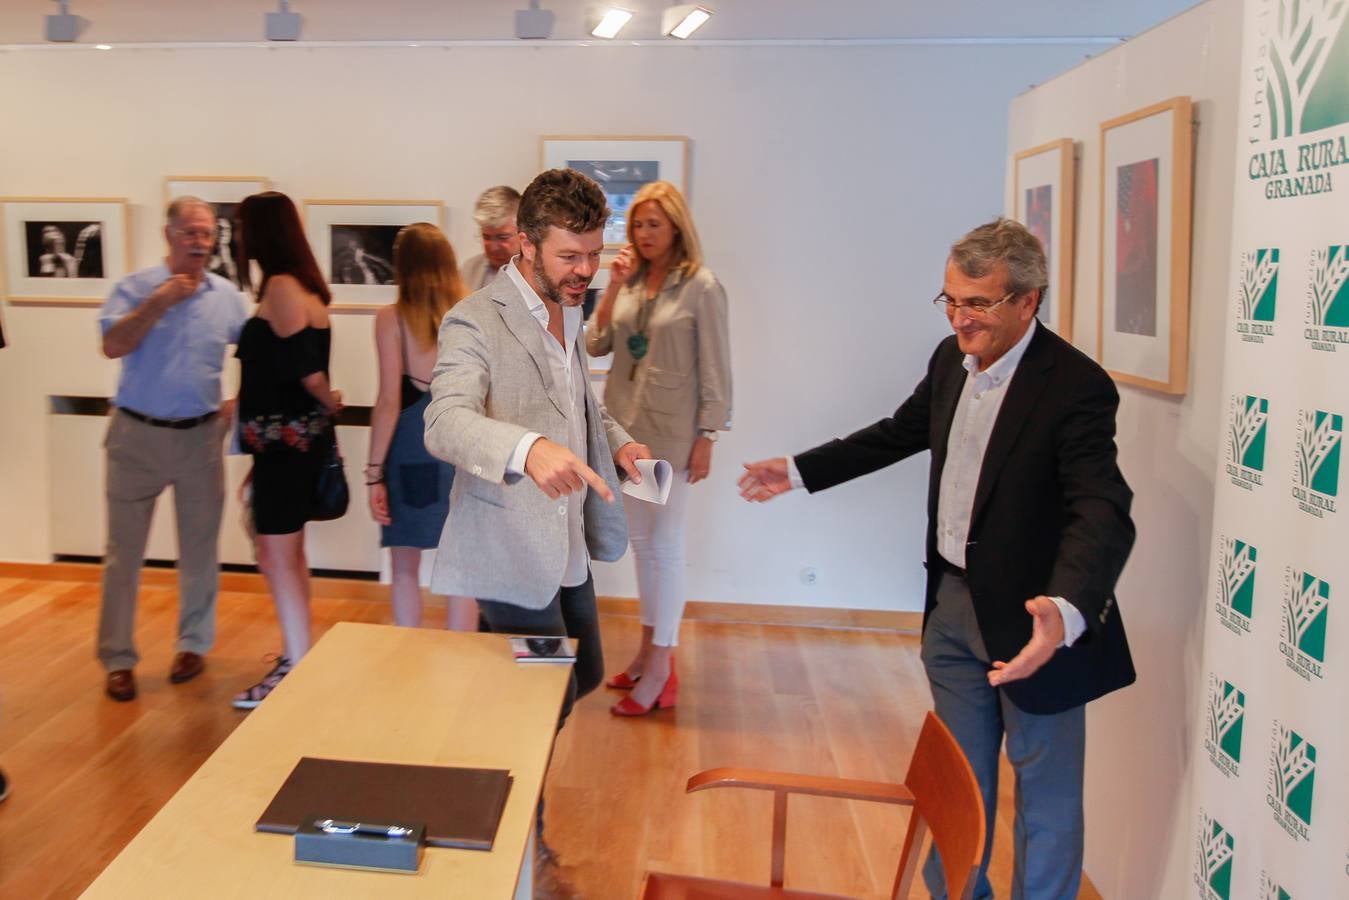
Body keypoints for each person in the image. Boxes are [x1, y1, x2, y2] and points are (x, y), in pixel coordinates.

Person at [739, 218, 1136, 900]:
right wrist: (799, 472)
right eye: (949, 300)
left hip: (1034, 625)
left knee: (1043, 795)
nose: (959, 317)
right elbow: (899, 432)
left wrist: (1065, 610)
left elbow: (1101, 508)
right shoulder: (949, 360)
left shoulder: (1074, 386)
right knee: (959, 786)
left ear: (1026, 302)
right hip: (951, 608)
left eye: (976, 304)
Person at [423, 169, 650, 888]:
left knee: (577, 675)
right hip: (510, 546)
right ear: (523, 245)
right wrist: (526, 449)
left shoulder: (569, 308)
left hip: (566, 544)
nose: (586, 271)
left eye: (592, 253)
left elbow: (577, 396)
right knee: (529, 704)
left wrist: (615, 440)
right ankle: (518, 851)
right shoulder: (473, 319)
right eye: (569, 257)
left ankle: (496, 813)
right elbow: (445, 422)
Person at [585, 180, 731, 716]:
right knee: (643, 545)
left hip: (672, 437)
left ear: (676, 227)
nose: (644, 234)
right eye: (637, 225)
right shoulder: (630, 278)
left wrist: (709, 434)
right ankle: (647, 653)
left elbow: (717, 369)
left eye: (654, 224)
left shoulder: (702, 287)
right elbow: (597, 344)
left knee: (665, 548)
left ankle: (664, 667)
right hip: (628, 433)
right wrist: (611, 286)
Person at [96, 197, 248, 702]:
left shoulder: (227, 296)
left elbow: (260, 352)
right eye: (191, 233)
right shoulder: (135, 287)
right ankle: (118, 659)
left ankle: (193, 645)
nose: (200, 243)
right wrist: (159, 301)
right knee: (123, 556)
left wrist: (236, 403)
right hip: (135, 435)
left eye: (207, 235)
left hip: (200, 438)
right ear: (169, 235)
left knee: (200, 550)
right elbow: (113, 344)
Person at [232, 191, 342, 710]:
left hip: (285, 445)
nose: (237, 237)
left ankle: (296, 668)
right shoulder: (302, 286)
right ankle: (299, 655)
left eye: (242, 227)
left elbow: (307, 371)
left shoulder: (280, 286)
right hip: (286, 444)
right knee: (287, 555)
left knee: (276, 556)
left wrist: (330, 399)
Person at [366, 223, 476, 630]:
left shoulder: (391, 319)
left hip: (413, 447)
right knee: (463, 566)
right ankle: (463, 661)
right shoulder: (473, 312)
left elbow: (389, 401)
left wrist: (373, 474)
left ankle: (407, 656)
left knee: (405, 563)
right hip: (464, 445)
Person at [459, 185, 521, 291]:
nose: (493, 247)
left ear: (523, 232)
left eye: (502, 238)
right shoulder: (470, 269)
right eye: (486, 237)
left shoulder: (539, 274)